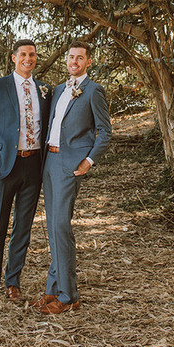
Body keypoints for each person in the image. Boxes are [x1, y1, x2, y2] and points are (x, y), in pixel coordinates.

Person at [33, 40, 112, 315]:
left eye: (80, 58)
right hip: (50, 161)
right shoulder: (57, 90)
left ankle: (69, 295)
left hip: (70, 166)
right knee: (53, 228)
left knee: (61, 227)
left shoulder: (93, 91)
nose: (74, 62)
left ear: (88, 62)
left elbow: (106, 131)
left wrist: (89, 161)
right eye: (70, 57)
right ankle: (52, 289)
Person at [0, 38, 51, 310]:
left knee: (23, 229)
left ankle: (13, 282)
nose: (28, 59)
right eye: (23, 54)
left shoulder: (44, 89)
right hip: (3, 167)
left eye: (32, 55)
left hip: (33, 166)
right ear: (14, 57)